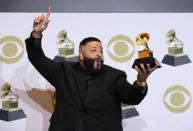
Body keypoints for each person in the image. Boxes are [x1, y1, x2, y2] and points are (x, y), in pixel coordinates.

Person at [25, 7, 158, 131]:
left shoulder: (115, 75)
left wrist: (141, 82)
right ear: (81, 56)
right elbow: (38, 59)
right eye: (93, 50)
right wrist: (36, 33)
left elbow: (132, 98)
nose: (99, 54)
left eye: (101, 51)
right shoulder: (64, 71)